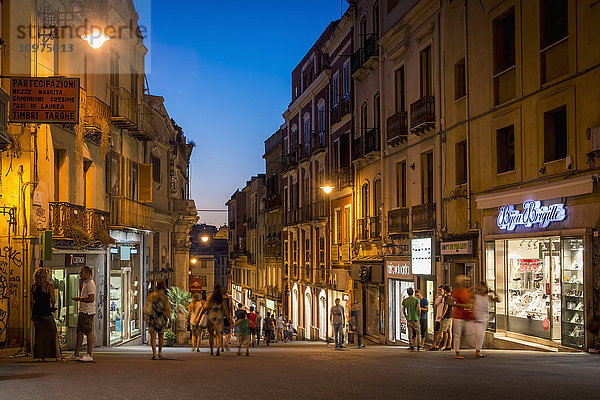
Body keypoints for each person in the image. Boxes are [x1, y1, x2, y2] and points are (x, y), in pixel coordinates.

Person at [67, 266, 96, 362]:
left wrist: (79, 299)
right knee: (79, 331)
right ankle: (76, 354)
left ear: (88, 274)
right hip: (82, 311)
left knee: (88, 332)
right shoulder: (85, 283)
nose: (80, 274)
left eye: (82, 273)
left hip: (88, 311)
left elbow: (91, 299)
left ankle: (89, 354)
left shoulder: (90, 284)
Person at [30, 267, 60, 361]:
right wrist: (53, 306)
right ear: (45, 276)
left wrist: (33, 313)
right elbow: (53, 299)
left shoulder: (33, 286)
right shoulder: (49, 285)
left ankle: (40, 356)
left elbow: (31, 303)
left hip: (37, 313)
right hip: (46, 313)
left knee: (39, 335)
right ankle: (56, 355)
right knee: (52, 332)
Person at [144, 280, 170, 360]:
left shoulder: (151, 296)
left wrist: (145, 316)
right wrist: (170, 319)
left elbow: (147, 306)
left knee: (153, 336)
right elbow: (167, 309)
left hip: (152, 317)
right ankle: (160, 352)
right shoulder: (165, 298)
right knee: (161, 335)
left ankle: (154, 353)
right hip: (161, 318)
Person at [472, 282, 500, 358]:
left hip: (484, 318)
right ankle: (477, 350)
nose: (481, 289)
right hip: (476, 318)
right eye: (480, 287)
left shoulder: (488, 297)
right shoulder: (476, 295)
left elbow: (498, 300)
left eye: (483, 287)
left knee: (480, 335)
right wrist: (474, 287)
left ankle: (478, 351)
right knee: (478, 335)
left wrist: (494, 292)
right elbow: (467, 293)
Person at [203, 284, 231, 356]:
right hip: (218, 317)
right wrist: (229, 319)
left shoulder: (210, 298)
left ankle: (212, 350)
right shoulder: (221, 299)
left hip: (211, 317)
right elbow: (225, 310)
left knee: (211, 335)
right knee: (218, 335)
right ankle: (218, 349)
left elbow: (206, 307)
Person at [451, 275, 474, 359]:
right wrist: (463, 305)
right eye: (466, 281)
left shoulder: (467, 291)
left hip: (467, 315)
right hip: (458, 315)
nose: (467, 283)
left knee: (470, 332)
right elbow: (450, 302)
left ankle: (472, 346)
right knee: (457, 334)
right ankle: (457, 352)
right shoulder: (455, 291)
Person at [429, 286, 445, 351]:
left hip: (442, 317)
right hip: (437, 317)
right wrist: (436, 296)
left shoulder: (445, 298)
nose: (439, 292)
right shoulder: (439, 298)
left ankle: (438, 345)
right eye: (438, 290)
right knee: (436, 331)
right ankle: (434, 344)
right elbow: (434, 305)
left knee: (442, 332)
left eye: (440, 290)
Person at [439, 285, 453, 351]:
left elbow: (446, 307)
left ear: (445, 290)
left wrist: (442, 315)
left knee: (443, 331)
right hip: (450, 316)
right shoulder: (451, 297)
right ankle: (449, 345)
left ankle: (439, 345)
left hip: (446, 316)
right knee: (449, 331)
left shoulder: (447, 297)